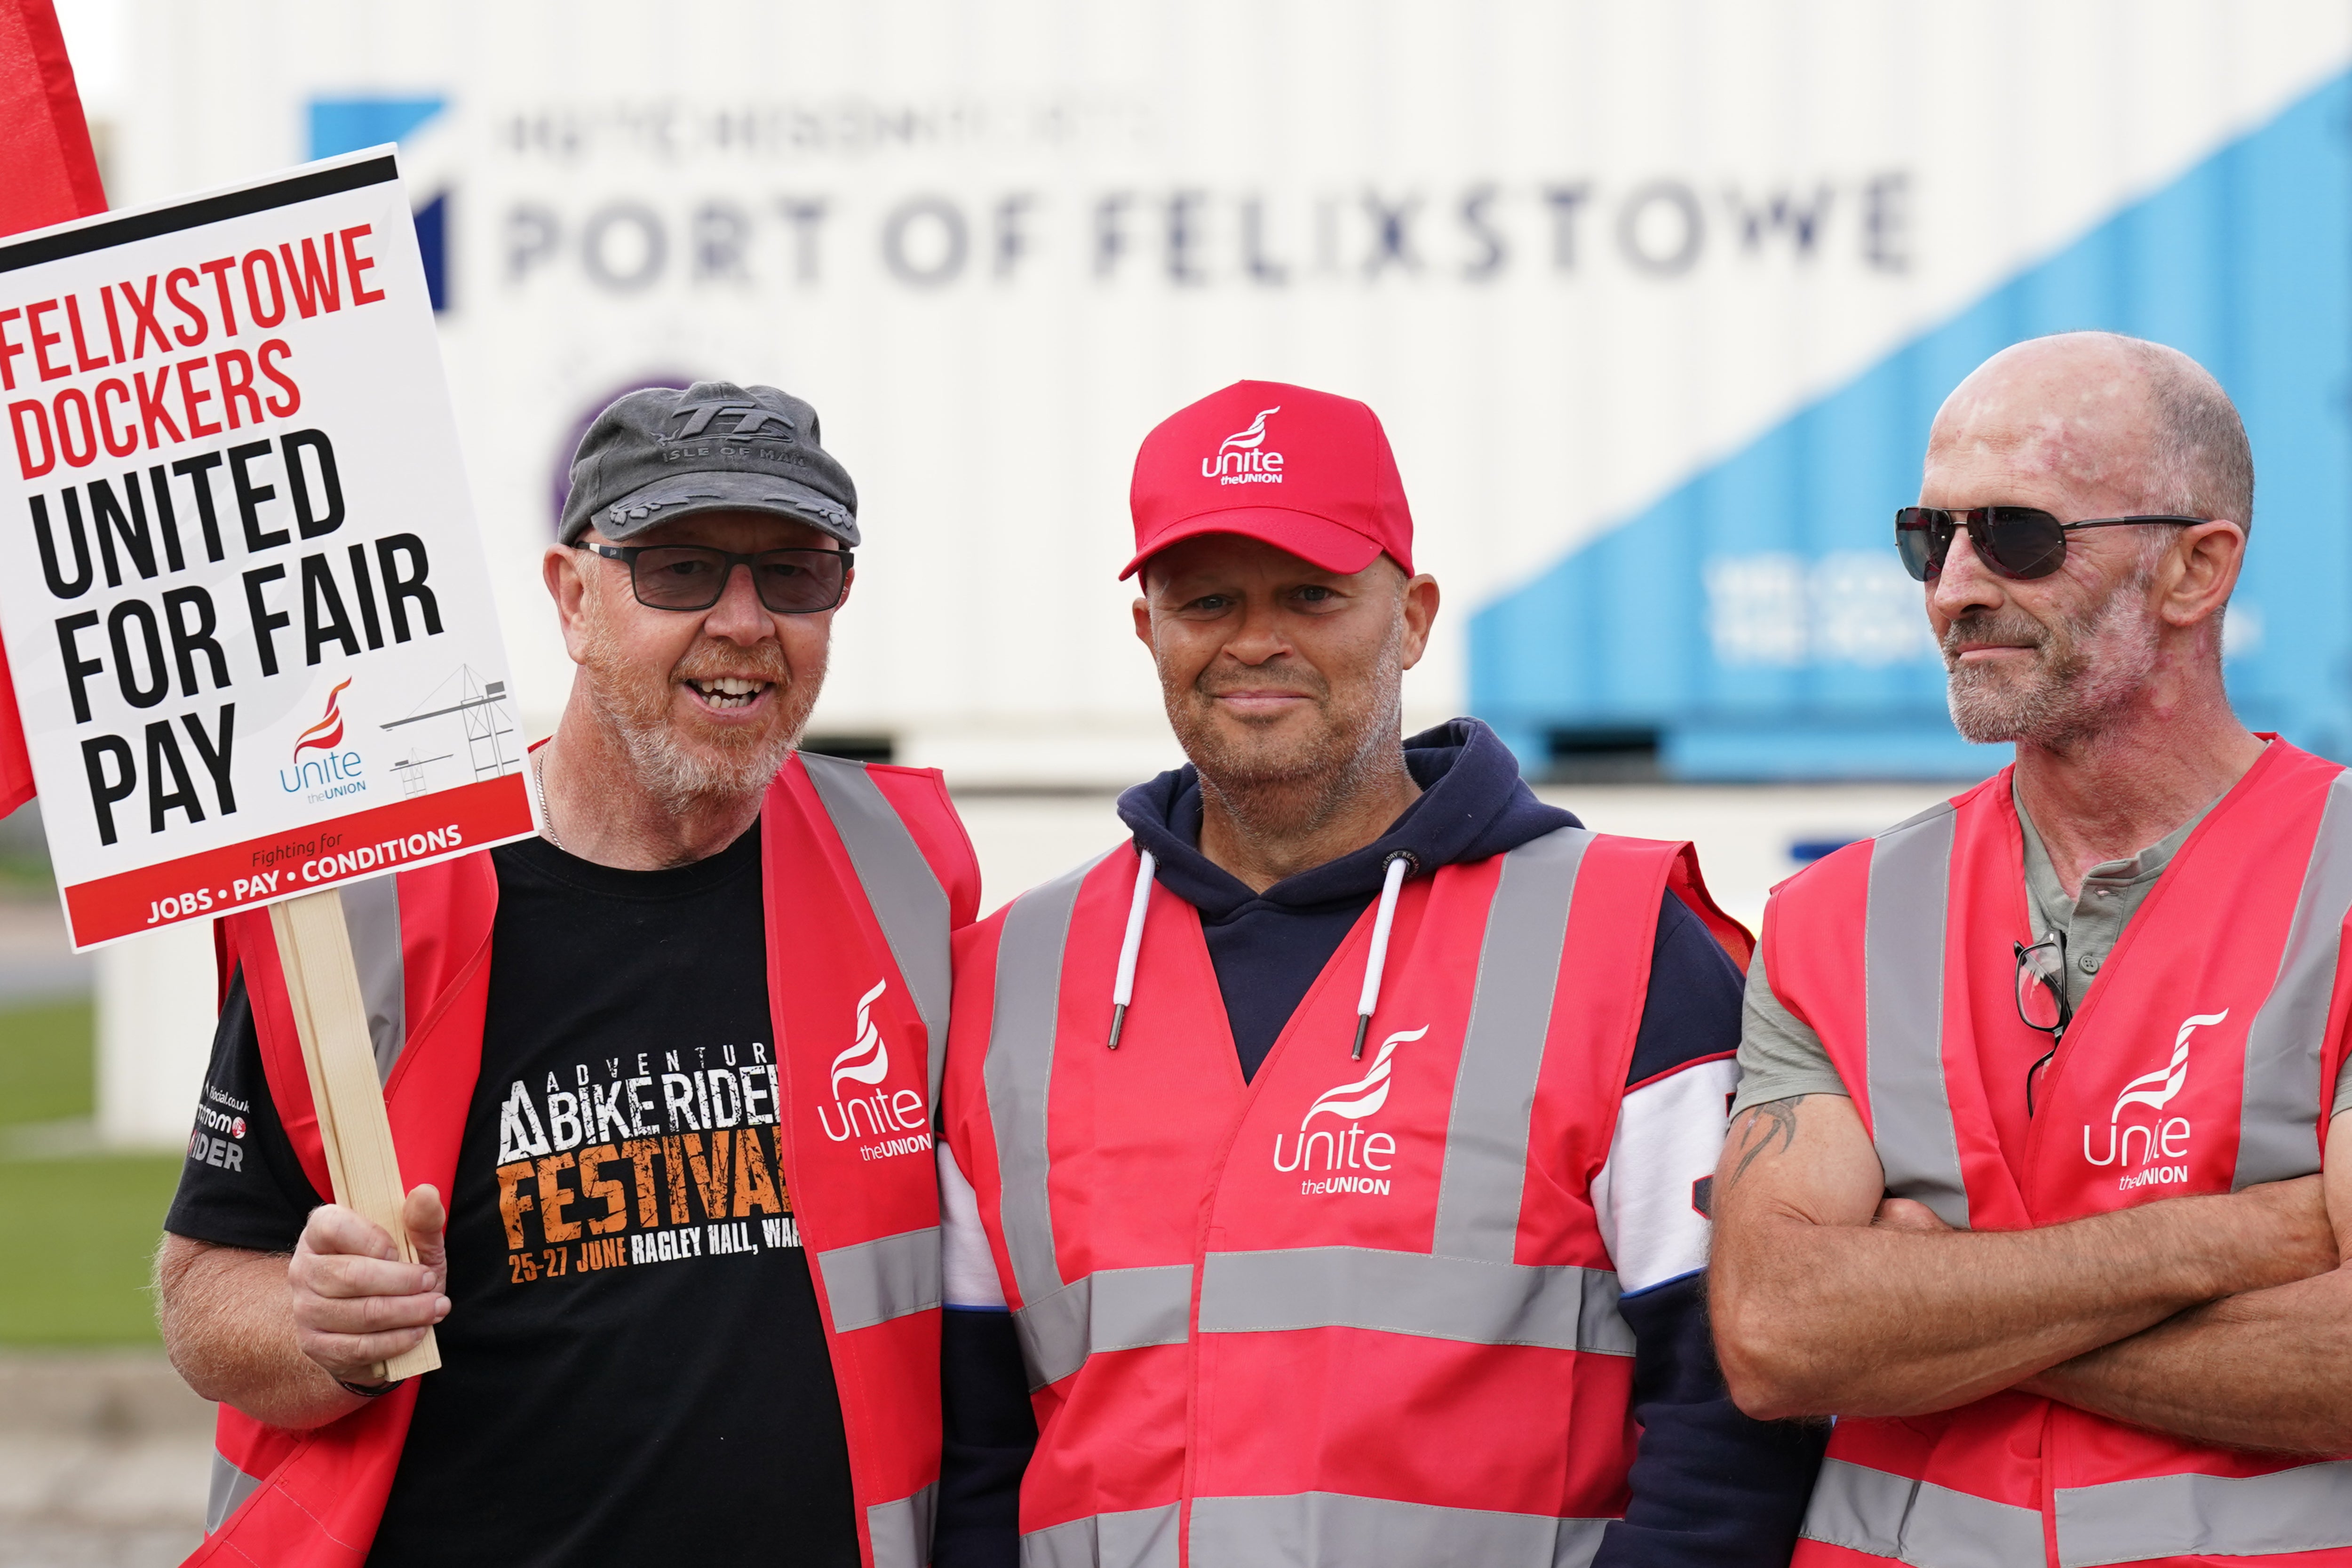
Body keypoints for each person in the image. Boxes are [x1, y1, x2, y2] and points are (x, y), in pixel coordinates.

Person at [930, 380, 1826, 1567]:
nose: (1256, 639)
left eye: (1311, 593)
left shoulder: (1618, 940)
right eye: (1207, 600)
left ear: (1410, 616)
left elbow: (1730, 1418)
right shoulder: (1010, 977)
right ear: (1148, 629)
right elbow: (980, 1449)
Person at [156, 382, 977, 1568]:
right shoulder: (376, 900)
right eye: (681, 568)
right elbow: (200, 1293)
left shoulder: (908, 867)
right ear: (573, 596)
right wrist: (318, 1324)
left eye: (796, 572)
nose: (745, 620)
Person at [1709, 333, 2352, 1567]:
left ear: (2195, 569)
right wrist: (2225, 1240)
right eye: (1927, 538)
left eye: (2016, 534)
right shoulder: (1837, 916)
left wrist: (1927, 1315)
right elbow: (1779, 1332)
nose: (1951, 588)